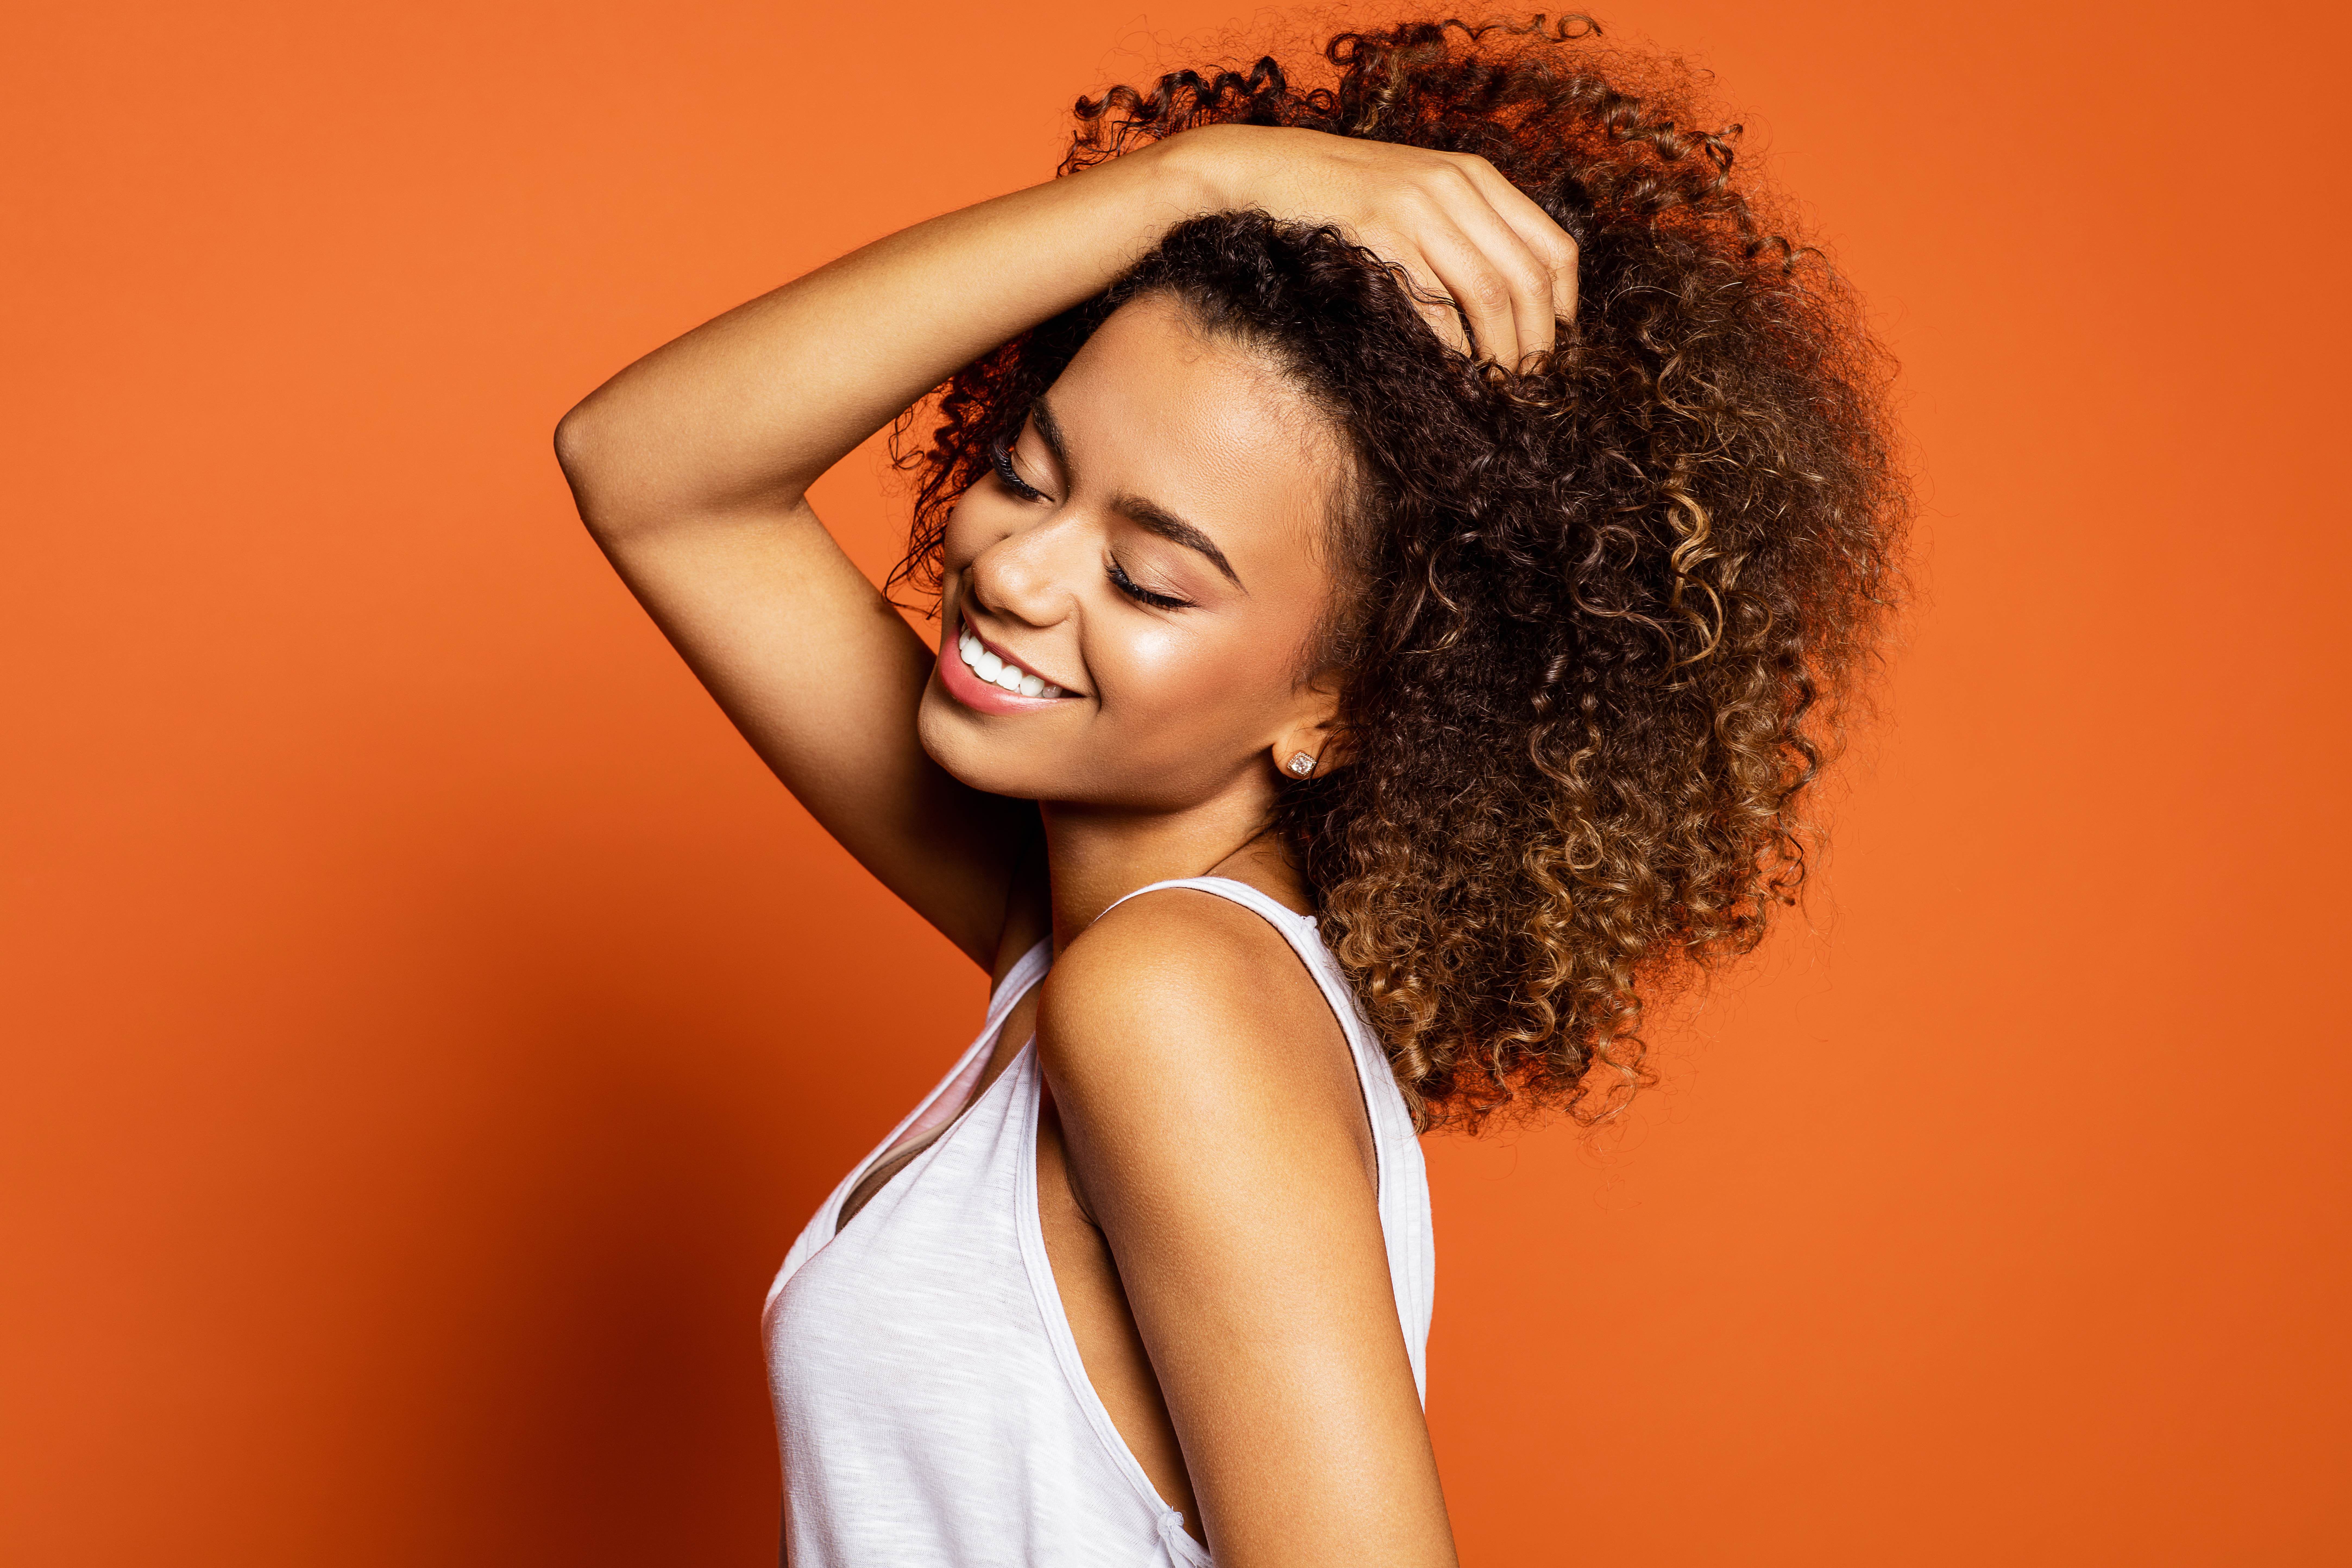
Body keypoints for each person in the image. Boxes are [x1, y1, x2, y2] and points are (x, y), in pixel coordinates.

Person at [553, 15, 1904, 1565]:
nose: (1013, 571)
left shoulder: (1168, 994)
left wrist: (1187, 186)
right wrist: (1190, 189)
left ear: (1339, 705)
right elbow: (650, 469)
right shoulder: (1080, 941)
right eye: (1025, 470)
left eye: (1147, 577)